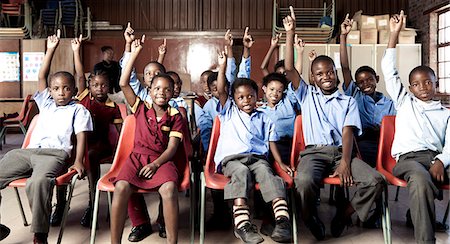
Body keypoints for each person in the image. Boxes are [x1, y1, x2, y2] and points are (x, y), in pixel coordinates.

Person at [283, 7, 385, 240]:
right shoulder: (306, 95)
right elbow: (289, 70)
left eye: (329, 72)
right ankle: (309, 217)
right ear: (313, 78)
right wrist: (290, 33)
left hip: (341, 152)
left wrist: (346, 162)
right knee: (304, 181)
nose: (326, 76)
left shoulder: (348, 100)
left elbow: (348, 132)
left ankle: (344, 215)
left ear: (335, 75)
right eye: (319, 74)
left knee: (375, 180)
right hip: (313, 154)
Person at [0, 30, 93, 244]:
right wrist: (50, 49)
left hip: (55, 154)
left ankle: (40, 235)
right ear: (49, 91)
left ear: (73, 91)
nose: (61, 92)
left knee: (38, 182)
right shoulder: (46, 103)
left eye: (66, 89)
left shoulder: (78, 110)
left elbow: (81, 137)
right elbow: (42, 76)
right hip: (27, 152)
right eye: (56, 89)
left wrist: (79, 160)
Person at [381, 10, 450, 244]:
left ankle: (420, 214)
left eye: (428, 82)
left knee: (425, 178)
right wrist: (394, 34)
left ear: (436, 84)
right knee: (420, 179)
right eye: (416, 84)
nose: (423, 87)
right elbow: (389, 71)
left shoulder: (445, 113)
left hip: (437, 158)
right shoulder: (404, 102)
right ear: (410, 88)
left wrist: (441, 161)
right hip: (408, 160)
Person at [110, 36, 186, 244]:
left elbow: (172, 148)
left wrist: (156, 164)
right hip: (136, 158)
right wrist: (134, 53)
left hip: (161, 160)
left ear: (173, 92)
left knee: (169, 189)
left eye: (167, 89)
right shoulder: (140, 107)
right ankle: (114, 241)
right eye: (157, 89)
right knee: (121, 187)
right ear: (149, 91)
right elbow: (123, 82)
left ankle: (172, 241)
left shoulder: (176, 115)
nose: (162, 92)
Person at [214, 48, 293, 243]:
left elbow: (271, 141)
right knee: (240, 173)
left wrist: (280, 163)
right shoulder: (229, 112)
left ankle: (282, 222)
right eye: (240, 97)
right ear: (234, 99)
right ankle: (242, 225)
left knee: (269, 174)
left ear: (257, 95)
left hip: (257, 159)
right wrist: (223, 65)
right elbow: (222, 88)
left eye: (250, 96)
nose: (246, 100)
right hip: (232, 160)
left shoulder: (264, 117)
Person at [119, 23, 169, 241]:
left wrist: (160, 57)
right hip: (138, 148)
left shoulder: (172, 102)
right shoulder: (139, 97)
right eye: (148, 73)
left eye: (157, 73)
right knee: (126, 177)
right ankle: (140, 223)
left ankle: (164, 219)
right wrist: (129, 46)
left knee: (165, 183)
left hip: (164, 151)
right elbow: (125, 78)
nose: (152, 76)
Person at [72, 34, 123, 227]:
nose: (99, 88)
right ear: (89, 86)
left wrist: (120, 152)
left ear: (109, 86)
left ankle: (92, 203)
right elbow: (78, 75)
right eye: (95, 85)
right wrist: (76, 51)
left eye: (103, 85)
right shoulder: (85, 96)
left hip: (100, 146)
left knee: (91, 155)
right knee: (67, 154)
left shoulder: (113, 107)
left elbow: (120, 131)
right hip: (80, 143)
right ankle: (60, 205)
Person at [340, 13, 396, 168]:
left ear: (377, 79)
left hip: (383, 142)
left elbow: (393, 126)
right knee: (363, 161)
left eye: (370, 79)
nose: (366, 84)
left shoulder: (389, 103)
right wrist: (343, 37)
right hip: (361, 143)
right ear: (356, 85)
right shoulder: (355, 96)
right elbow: (345, 68)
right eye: (361, 82)